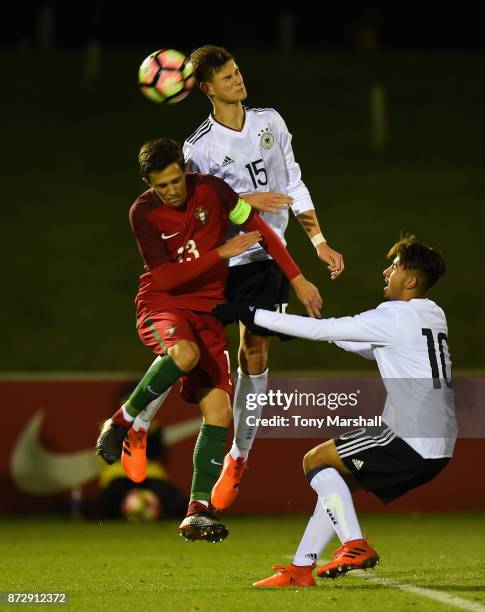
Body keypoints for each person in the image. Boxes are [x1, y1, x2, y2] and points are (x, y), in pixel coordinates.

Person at [127, 45, 344, 511]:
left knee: (255, 350)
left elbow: (295, 182)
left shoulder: (270, 121)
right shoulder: (197, 148)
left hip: (265, 259)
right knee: (183, 351)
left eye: (238, 72)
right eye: (226, 78)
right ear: (204, 88)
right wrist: (247, 202)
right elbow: (193, 205)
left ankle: (238, 457)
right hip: (218, 261)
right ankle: (138, 425)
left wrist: (319, 239)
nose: (238, 81)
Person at [96, 137, 321, 542]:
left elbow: (260, 230)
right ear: (149, 184)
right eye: (160, 185)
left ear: (185, 170)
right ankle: (123, 422)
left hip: (207, 311)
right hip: (164, 303)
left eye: (175, 180)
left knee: (218, 410)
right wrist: (221, 253)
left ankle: (197, 510)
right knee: (183, 353)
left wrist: (298, 278)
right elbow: (164, 278)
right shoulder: (143, 213)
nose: (170, 191)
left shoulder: (213, 191)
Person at [215, 235, 456, 585]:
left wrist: (248, 313)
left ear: (412, 280)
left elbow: (327, 330)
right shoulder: (432, 314)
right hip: (439, 445)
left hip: (410, 436)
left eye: (395, 266)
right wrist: (315, 332)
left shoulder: (394, 315)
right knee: (334, 486)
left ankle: (355, 545)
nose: (386, 271)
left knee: (316, 461)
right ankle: (301, 568)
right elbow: (372, 347)